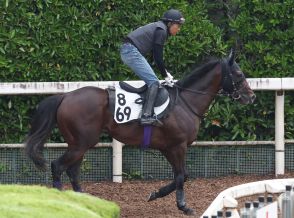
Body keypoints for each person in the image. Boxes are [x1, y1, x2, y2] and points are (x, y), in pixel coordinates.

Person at [120, 9, 185, 125]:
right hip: (130, 51)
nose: (178, 29)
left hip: (129, 49)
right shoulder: (161, 31)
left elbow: (154, 58)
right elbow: (158, 57)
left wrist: (165, 73)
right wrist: (165, 75)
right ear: (170, 24)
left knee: (152, 80)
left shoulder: (159, 28)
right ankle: (146, 115)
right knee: (154, 82)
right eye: (178, 26)